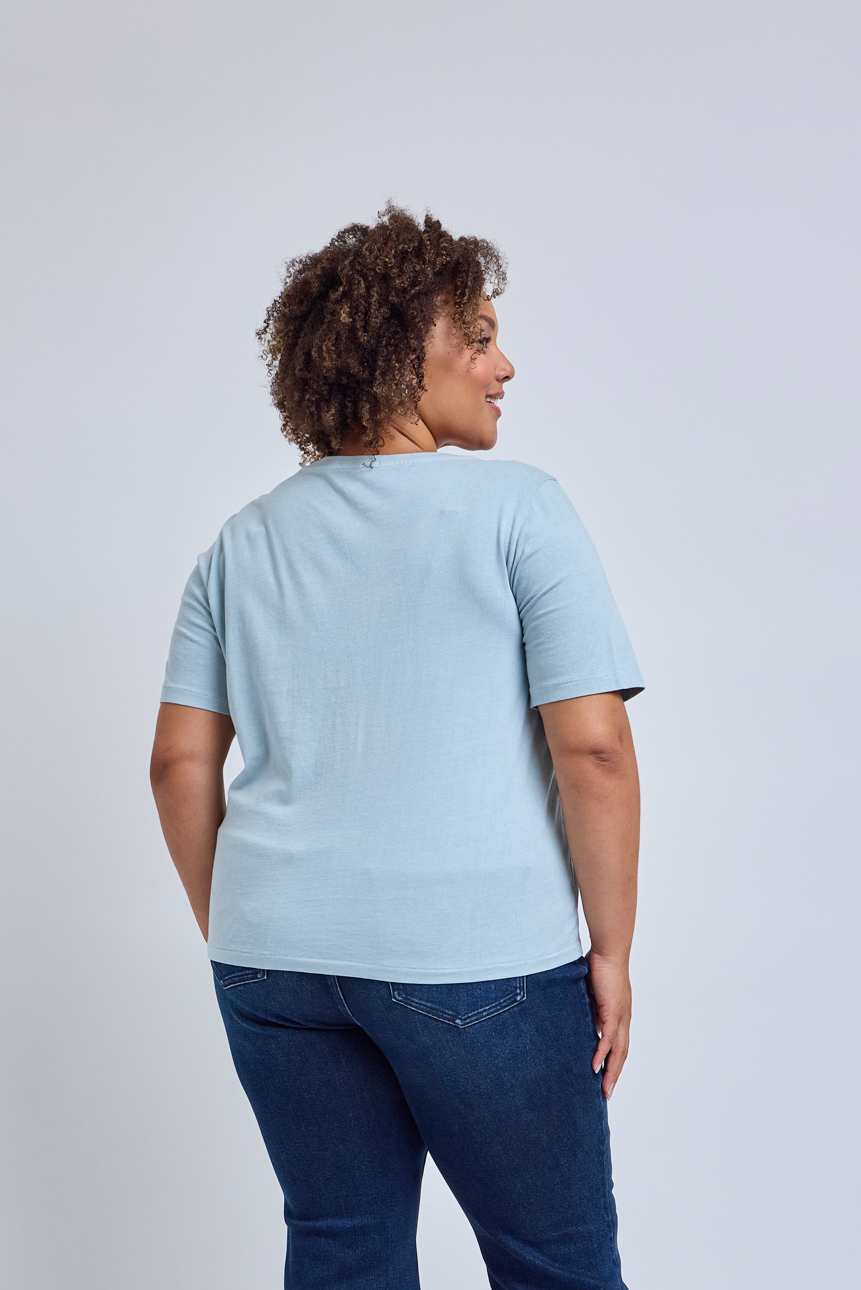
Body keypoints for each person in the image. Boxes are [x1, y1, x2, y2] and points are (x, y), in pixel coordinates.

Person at [150, 200, 644, 1290]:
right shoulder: (520, 510)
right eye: (479, 338)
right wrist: (609, 951)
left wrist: (253, 928)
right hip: (476, 957)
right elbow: (595, 749)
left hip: (274, 959)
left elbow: (178, 764)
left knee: (342, 1251)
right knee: (555, 1264)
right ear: (399, 355)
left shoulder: (240, 543)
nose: (504, 365)